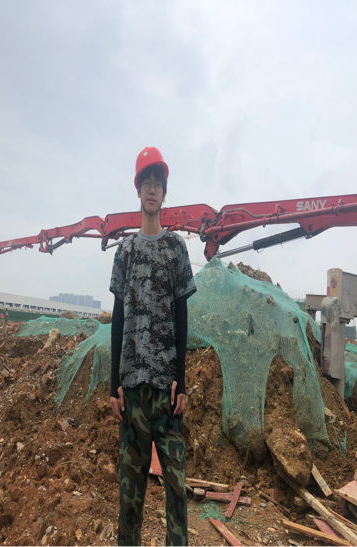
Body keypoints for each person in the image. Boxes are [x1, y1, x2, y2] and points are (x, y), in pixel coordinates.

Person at [110, 147, 196, 547]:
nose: (151, 189)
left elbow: (182, 315)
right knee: (130, 497)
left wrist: (182, 380)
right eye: (146, 182)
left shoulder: (176, 248)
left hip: (167, 394)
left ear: (164, 193)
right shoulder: (125, 251)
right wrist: (113, 385)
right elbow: (117, 318)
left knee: (176, 491)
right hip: (132, 391)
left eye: (157, 183)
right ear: (138, 190)